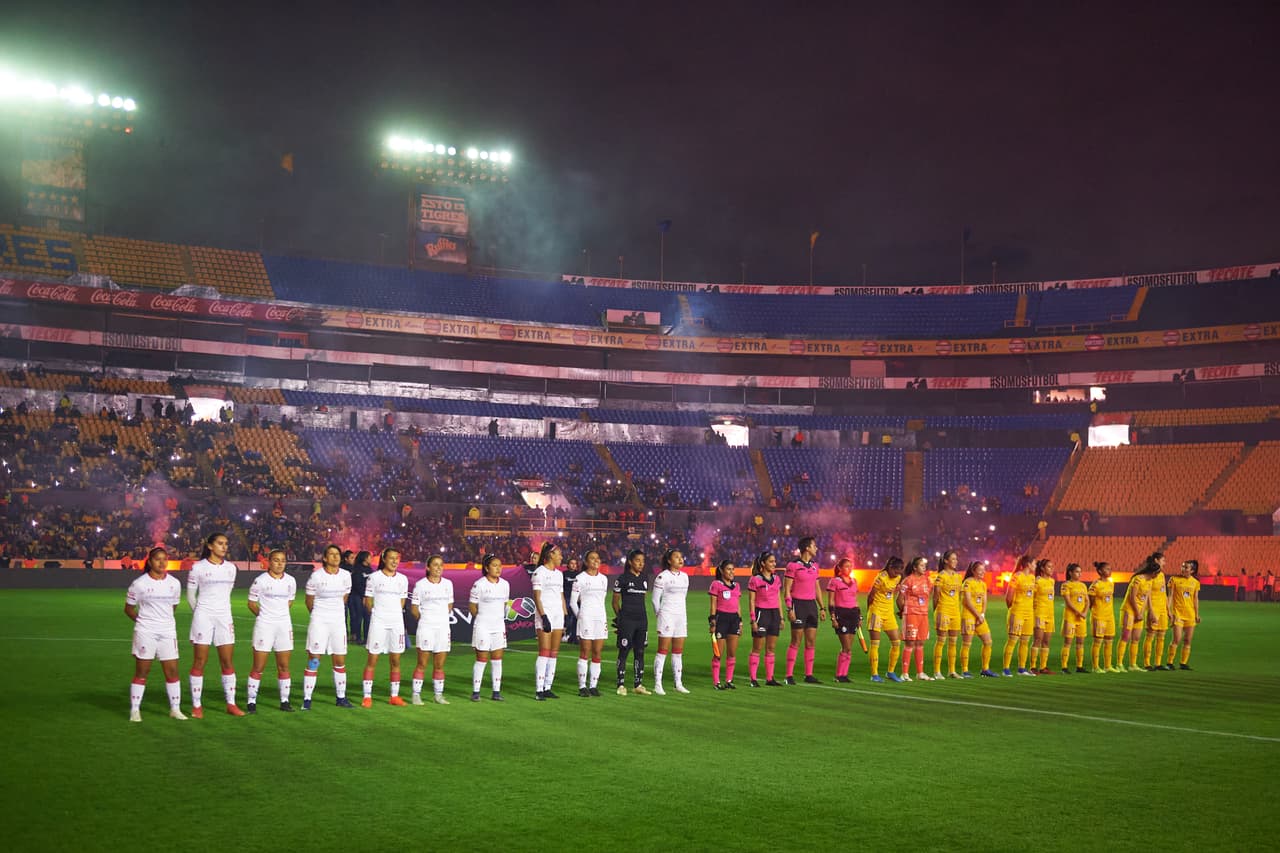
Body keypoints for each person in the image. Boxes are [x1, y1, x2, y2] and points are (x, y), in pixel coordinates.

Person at [124, 546, 187, 721]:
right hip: (146, 631)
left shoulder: (174, 583)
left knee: (172, 671)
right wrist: (143, 622)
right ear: (150, 562)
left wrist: (162, 621)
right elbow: (128, 609)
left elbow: (172, 607)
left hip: (167, 631)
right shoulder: (139, 584)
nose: (162, 562)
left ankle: (175, 709)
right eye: (158, 559)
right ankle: (135, 710)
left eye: (164, 559)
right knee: (143, 671)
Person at [187, 532, 244, 717]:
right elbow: (190, 595)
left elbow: (227, 592)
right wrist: (200, 614)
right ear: (210, 546)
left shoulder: (231, 568)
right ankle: (196, 706)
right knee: (200, 661)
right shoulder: (198, 567)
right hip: (203, 615)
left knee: (227, 661)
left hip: (224, 617)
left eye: (226, 543)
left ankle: (231, 703)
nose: (224, 546)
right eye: (220, 543)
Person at [303, 544, 354, 709]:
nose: (335, 557)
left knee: (339, 660)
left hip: (338, 623)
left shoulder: (346, 575)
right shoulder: (316, 576)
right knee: (314, 659)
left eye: (337, 554)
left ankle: (341, 698)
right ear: (324, 558)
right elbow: (309, 601)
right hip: (320, 621)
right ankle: (307, 699)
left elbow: (344, 598)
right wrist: (319, 615)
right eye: (331, 554)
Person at [246, 549, 296, 713]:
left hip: (284, 626)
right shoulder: (260, 581)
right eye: (276, 560)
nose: (280, 563)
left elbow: (290, 601)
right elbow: (252, 603)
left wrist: (279, 616)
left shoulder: (290, 581)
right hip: (265, 626)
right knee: (258, 666)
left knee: (284, 666)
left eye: (282, 560)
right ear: (269, 562)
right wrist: (265, 617)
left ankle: (285, 701)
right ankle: (251, 701)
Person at [361, 547, 409, 707]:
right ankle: (367, 696)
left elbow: (402, 601)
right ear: (384, 559)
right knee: (372, 659)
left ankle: (394, 696)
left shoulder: (403, 579)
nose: (394, 561)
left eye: (397, 558)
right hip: (379, 622)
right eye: (391, 558)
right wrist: (378, 614)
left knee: (395, 660)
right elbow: (367, 601)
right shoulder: (374, 578)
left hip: (396, 623)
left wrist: (393, 614)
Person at [410, 554, 454, 705]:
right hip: (426, 627)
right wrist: (426, 620)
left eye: (441, 565)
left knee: (440, 664)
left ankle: (438, 695)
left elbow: (449, 605)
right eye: (435, 565)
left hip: (443, 628)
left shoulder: (448, 584)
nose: (438, 568)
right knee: (422, 663)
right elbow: (414, 609)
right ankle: (416, 695)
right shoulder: (421, 585)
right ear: (428, 567)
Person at [783, 536, 825, 684]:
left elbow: (817, 588)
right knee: (796, 640)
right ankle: (789, 676)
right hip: (798, 605)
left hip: (811, 606)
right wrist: (789, 608)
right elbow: (787, 589)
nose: (816, 548)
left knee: (811, 641)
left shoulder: (815, 566)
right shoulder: (793, 565)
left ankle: (809, 675)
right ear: (807, 548)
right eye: (814, 545)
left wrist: (822, 607)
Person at [570, 549, 610, 696]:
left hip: (600, 618)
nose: (596, 561)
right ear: (586, 562)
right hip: (586, 617)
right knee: (585, 652)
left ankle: (593, 686)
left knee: (597, 652)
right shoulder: (579, 578)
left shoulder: (604, 579)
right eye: (592, 559)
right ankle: (582, 687)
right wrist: (580, 616)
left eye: (598, 558)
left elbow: (602, 600)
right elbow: (573, 602)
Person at [469, 555, 509, 701]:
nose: (498, 568)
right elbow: (472, 606)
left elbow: (504, 604)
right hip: (483, 626)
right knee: (482, 659)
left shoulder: (505, 584)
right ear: (486, 568)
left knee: (497, 659)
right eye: (494, 565)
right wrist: (481, 619)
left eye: (500, 565)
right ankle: (475, 692)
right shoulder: (479, 584)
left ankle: (496, 692)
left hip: (498, 626)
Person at [531, 541, 567, 700]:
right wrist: (543, 616)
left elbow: (561, 596)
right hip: (545, 614)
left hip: (558, 615)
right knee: (544, 652)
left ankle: (548, 687)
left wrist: (565, 616)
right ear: (550, 555)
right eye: (558, 553)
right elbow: (537, 597)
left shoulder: (559, 574)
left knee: (554, 653)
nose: (561, 556)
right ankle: (539, 690)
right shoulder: (539, 573)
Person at [612, 549, 651, 695]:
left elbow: (643, 598)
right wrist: (620, 618)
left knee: (640, 652)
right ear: (630, 562)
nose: (641, 564)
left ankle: (638, 684)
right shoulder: (622, 579)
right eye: (637, 560)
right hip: (627, 620)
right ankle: (620, 684)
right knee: (624, 651)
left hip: (642, 620)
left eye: (642, 561)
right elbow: (615, 602)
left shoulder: (644, 578)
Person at [652, 548, 691, 694]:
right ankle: (657, 684)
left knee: (678, 652)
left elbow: (683, 597)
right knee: (663, 651)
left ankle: (678, 683)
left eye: (681, 557)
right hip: (667, 615)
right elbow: (655, 600)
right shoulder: (662, 577)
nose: (680, 559)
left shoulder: (685, 577)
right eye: (676, 557)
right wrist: (660, 615)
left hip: (681, 616)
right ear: (669, 560)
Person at [746, 551, 784, 687]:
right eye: (771, 561)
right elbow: (751, 601)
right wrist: (753, 619)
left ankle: (770, 678)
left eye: (774, 561)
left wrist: (781, 617)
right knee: (757, 647)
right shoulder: (755, 579)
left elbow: (779, 598)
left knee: (771, 647)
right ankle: (753, 679)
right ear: (763, 563)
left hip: (774, 615)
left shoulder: (777, 579)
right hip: (761, 614)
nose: (774, 564)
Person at [1118, 553, 1159, 673]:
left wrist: (1147, 612)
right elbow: (1132, 597)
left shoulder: (1150, 581)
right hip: (1129, 610)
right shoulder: (1138, 579)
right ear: (1153, 573)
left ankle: (1133, 664)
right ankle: (1119, 664)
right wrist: (1137, 612)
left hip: (1139, 612)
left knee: (1136, 638)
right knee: (1126, 636)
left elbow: (1145, 598)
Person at [867, 556, 904, 683]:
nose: (897, 574)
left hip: (889, 613)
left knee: (896, 642)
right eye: (895, 571)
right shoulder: (881, 577)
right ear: (889, 568)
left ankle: (891, 672)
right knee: (875, 644)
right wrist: (869, 612)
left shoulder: (898, 578)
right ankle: (874, 674)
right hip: (876, 612)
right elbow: (871, 595)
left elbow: (890, 593)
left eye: (899, 572)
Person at [895, 556, 932, 681]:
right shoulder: (908, 581)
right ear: (915, 567)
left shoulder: (927, 580)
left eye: (924, 565)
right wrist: (902, 611)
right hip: (911, 614)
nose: (924, 567)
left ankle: (920, 673)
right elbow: (899, 599)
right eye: (921, 565)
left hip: (923, 615)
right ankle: (904, 674)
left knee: (920, 643)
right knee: (910, 643)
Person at [708, 559, 742, 689]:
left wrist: (740, 622)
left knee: (732, 653)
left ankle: (729, 680)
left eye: (733, 569)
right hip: (721, 619)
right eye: (729, 569)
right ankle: (716, 682)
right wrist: (712, 622)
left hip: (734, 619)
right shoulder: (716, 584)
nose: (731, 572)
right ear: (722, 570)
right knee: (718, 653)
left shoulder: (736, 586)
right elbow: (713, 604)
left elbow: (738, 605)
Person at [825, 558, 860, 683]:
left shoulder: (854, 581)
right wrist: (833, 618)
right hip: (842, 614)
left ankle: (843, 675)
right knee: (846, 646)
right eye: (846, 566)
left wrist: (859, 617)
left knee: (849, 648)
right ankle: (839, 675)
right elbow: (831, 602)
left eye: (851, 566)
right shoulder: (834, 581)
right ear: (840, 568)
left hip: (853, 614)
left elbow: (856, 600)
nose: (849, 569)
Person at [959, 561, 996, 677]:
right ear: (973, 571)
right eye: (980, 570)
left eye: (984, 570)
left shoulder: (983, 584)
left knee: (988, 641)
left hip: (979, 617)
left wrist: (982, 615)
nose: (983, 572)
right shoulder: (967, 583)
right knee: (967, 644)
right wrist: (978, 615)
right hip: (969, 616)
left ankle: (985, 669)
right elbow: (967, 602)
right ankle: (965, 671)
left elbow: (984, 601)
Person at [1001, 555, 1037, 676]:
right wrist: (1013, 610)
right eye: (1034, 563)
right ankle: (1006, 669)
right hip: (1017, 612)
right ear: (1028, 564)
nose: (1035, 566)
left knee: (1025, 641)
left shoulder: (1032, 578)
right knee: (1013, 640)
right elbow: (1009, 596)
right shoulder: (1017, 576)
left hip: (1029, 613)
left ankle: (1022, 669)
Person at [931, 549, 962, 679]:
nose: (956, 561)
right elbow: (935, 596)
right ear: (946, 561)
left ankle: (952, 671)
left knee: (953, 642)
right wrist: (936, 611)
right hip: (943, 610)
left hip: (955, 612)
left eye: (956, 559)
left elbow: (958, 595)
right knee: (941, 641)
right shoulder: (941, 576)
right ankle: (937, 671)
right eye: (953, 559)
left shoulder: (958, 576)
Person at [1166, 559, 1201, 669]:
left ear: (1192, 570)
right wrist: (1169, 611)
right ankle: (1170, 663)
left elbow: (1195, 599)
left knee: (1188, 640)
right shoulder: (1174, 580)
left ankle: (1183, 663)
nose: (1183, 569)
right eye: (1182, 566)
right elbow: (1170, 596)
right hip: (1178, 614)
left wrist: (1196, 614)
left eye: (1186, 567)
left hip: (1190, 615)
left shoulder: (1195, 583)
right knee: (1177, 639)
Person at [1059, 562, 1090, 674]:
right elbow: (1068, 601)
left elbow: (1087, 601)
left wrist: (1085, 612)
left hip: (1081, 618)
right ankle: (1064, 667)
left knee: (1080, 642)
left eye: (1080, 572)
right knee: (1068, 642)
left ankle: (1079, 666)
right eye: (1077, 571)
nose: (1079, 574)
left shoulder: (1083, 585)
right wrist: (1079, 612)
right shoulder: (1066, 585)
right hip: (1070, 617)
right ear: (1070, 573)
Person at [1142, 554, 1171, 671]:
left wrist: (1168, 610)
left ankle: (1158, 663)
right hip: (1153, 609)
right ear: (1156, 560)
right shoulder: (1150, 576)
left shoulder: (1162, 575)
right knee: (1150, 636)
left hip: (1162, 609)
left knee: (1162, 636)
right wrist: (1151, 611)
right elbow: (1147, 594)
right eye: (1163, 560)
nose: (1165, 562)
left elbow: (1164, 593)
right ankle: (1147, 663)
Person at [1088, 562, 1117, 674]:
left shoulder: (1110, 583)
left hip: (1110, 616)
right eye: (1107, 569)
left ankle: (1107, 666)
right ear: (1100, 571)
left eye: (1110, 568)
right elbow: (1091, 599)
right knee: (1098, 641)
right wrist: (1094, 610)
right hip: (1099, 616)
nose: (1110, 571)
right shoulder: (1095, 585)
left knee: (1109, 640)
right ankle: (1095, 667)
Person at [1031, 559, 1057, 674]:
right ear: (1042, 568)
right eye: (1049, 567)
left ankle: (1043, 667)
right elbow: (1031, 597)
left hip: (1050, 615)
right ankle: (1032, 667)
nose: (1052, 569)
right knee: (1037, 639)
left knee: (1046, 641)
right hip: (1040, 613)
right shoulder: (1037, 581)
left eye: (1052, 567)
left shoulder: (1052, 581)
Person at [348, 550, 372, 644]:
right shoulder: (357, 569)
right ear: (365, 558)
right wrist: (364, 596)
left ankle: (366, 637)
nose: (371, 559)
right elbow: (357, 584)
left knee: (367, 617)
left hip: (366, 596)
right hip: (357, 596)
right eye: (369, 557)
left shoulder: (369, 570)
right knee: (359, 617)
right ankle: (358, 637)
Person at [562, 555, 582, 644]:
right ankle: (566, 634)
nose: (573, 565)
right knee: (567, 617)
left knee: (575, 617)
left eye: (575, 564)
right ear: (568, 564)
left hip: (576, 599)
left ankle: (573, 635)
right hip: (566, 598)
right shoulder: (564, 574)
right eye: (571, 563)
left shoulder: (579, 575)